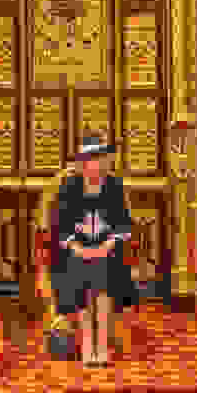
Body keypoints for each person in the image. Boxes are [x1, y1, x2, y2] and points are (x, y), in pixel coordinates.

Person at [47, 138, 136, 366]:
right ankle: (88, 344)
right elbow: (60, 224)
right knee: (81, 277)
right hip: (75, 251)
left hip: (108, 250)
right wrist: (80, 249)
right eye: (92, 160)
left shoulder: (114, 186)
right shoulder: (69, 187)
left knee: (105, 276)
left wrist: (106, 246)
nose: (98, 165)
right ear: (83, 164)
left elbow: (123, 223)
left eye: (101, 159)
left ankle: (102, 344)